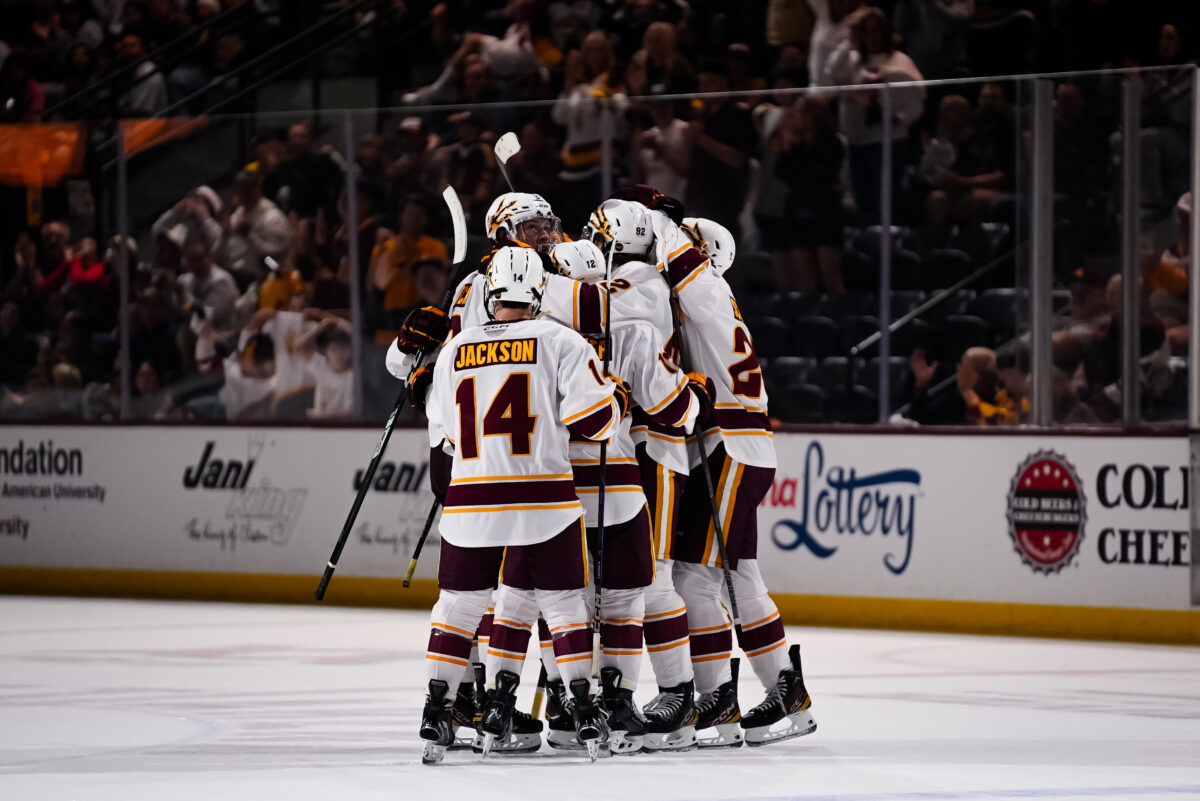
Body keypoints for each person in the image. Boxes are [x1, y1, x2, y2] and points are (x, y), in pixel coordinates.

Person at [414, 246, 621, 764]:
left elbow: (444, 434)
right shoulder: (561, 340)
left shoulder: (455, 348)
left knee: (458, 608)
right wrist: (613, 396)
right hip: (542, 494)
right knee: (564, 605)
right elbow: (598, 425)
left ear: (490, 289)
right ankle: (585, 713)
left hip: (470, 498)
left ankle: (437, 713)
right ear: (539, 290)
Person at [651, 206, 817, 747]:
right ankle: (785, 691)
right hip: (741, 447)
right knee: (740, 574)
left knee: (692, 579)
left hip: (729, 447)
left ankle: (717, 696)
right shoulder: (712, 303)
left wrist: (655, 221)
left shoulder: (709, 293)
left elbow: (678, 261)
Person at [369, 195, 449, 345]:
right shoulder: (387, 247)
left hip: (418, 328)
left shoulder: (436, 248)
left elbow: (438, 290)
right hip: (386, 329)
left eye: (420, 214)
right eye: (410, 214)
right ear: (401, 216)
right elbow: (374, 285)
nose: (415, 219)